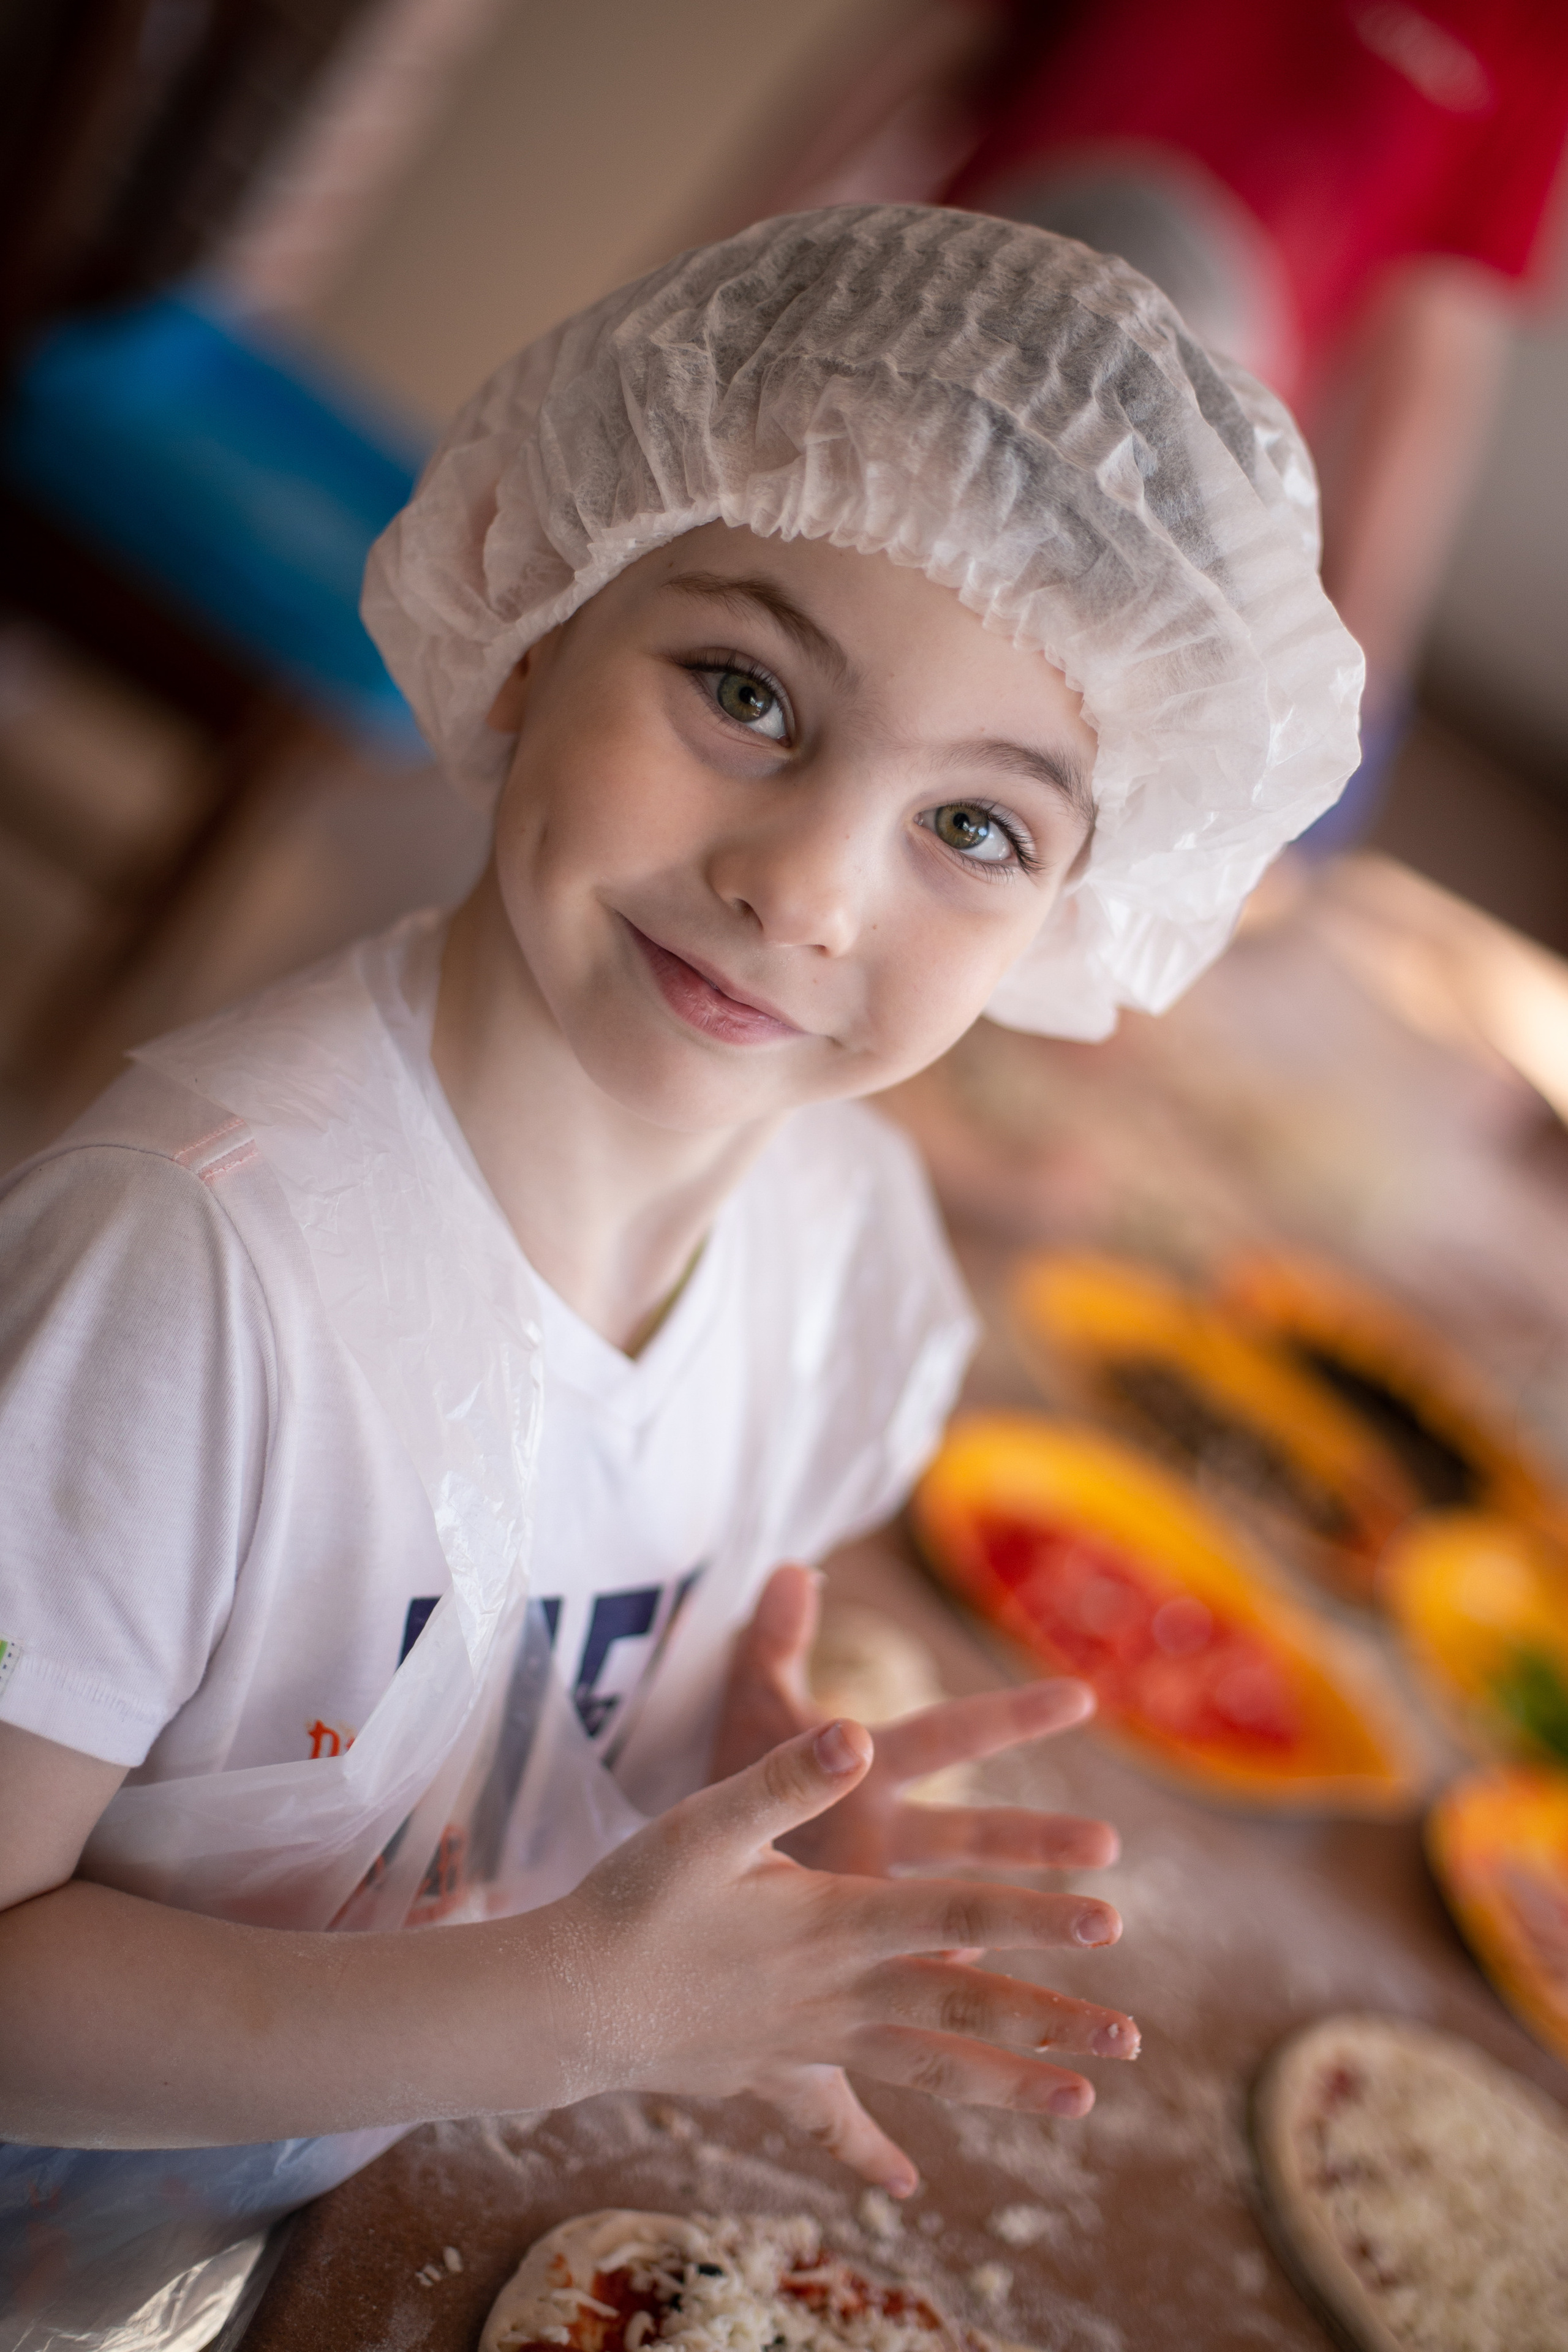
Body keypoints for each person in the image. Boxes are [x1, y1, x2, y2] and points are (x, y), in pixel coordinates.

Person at [0, 204, 1360, 2346]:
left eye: (978, 830)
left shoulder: (849, 1280)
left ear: (1087, 914)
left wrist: (711, 1781)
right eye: (745, 690)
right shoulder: (199, 1269)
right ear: (538, 619)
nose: (805, 886)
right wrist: (548, 2015)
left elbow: (490, 1706)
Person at [770, 0, 1568, 846]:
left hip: (1157, 521)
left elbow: (1430, 355)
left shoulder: (1532, 40)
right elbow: (912, 75)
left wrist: (1359, 674)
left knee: (994, 783)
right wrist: (715, 288)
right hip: (906, 385)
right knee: (804, 675)